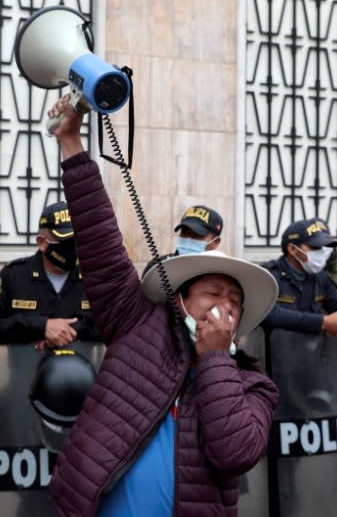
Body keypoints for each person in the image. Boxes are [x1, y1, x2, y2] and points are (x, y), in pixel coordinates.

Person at [45, 94, 279, 517]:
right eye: (213, 292)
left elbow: (236, 453)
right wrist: (72, 148)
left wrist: (214, 360)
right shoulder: (137, 324)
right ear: (180, 299)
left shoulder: (254, 386)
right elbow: (100, 244)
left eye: (235, 301)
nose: (224, 305)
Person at [0, 201, 97, 348]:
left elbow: (116, 327)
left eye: (78, 242)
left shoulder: (93, 278)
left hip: (82, 368)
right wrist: (40, 327)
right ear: (42, 243)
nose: (74, 249)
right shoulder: (14, 275)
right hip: (27, 370)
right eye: (67, 244)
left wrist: (69, 331)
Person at [261, 218, 337, 338]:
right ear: (292, 249)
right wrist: (322, 322)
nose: (322, 252)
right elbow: (268, 313)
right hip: (274, 352)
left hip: (312, 352)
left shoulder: (321, 276)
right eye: (315, 247)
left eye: (325, 247)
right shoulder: (268, 276)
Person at [142, 204, 223, 276]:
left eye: (197, 235)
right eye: (184, 233)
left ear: (216, 242)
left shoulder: (222, 273)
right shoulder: (157, 267)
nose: (188, 239)